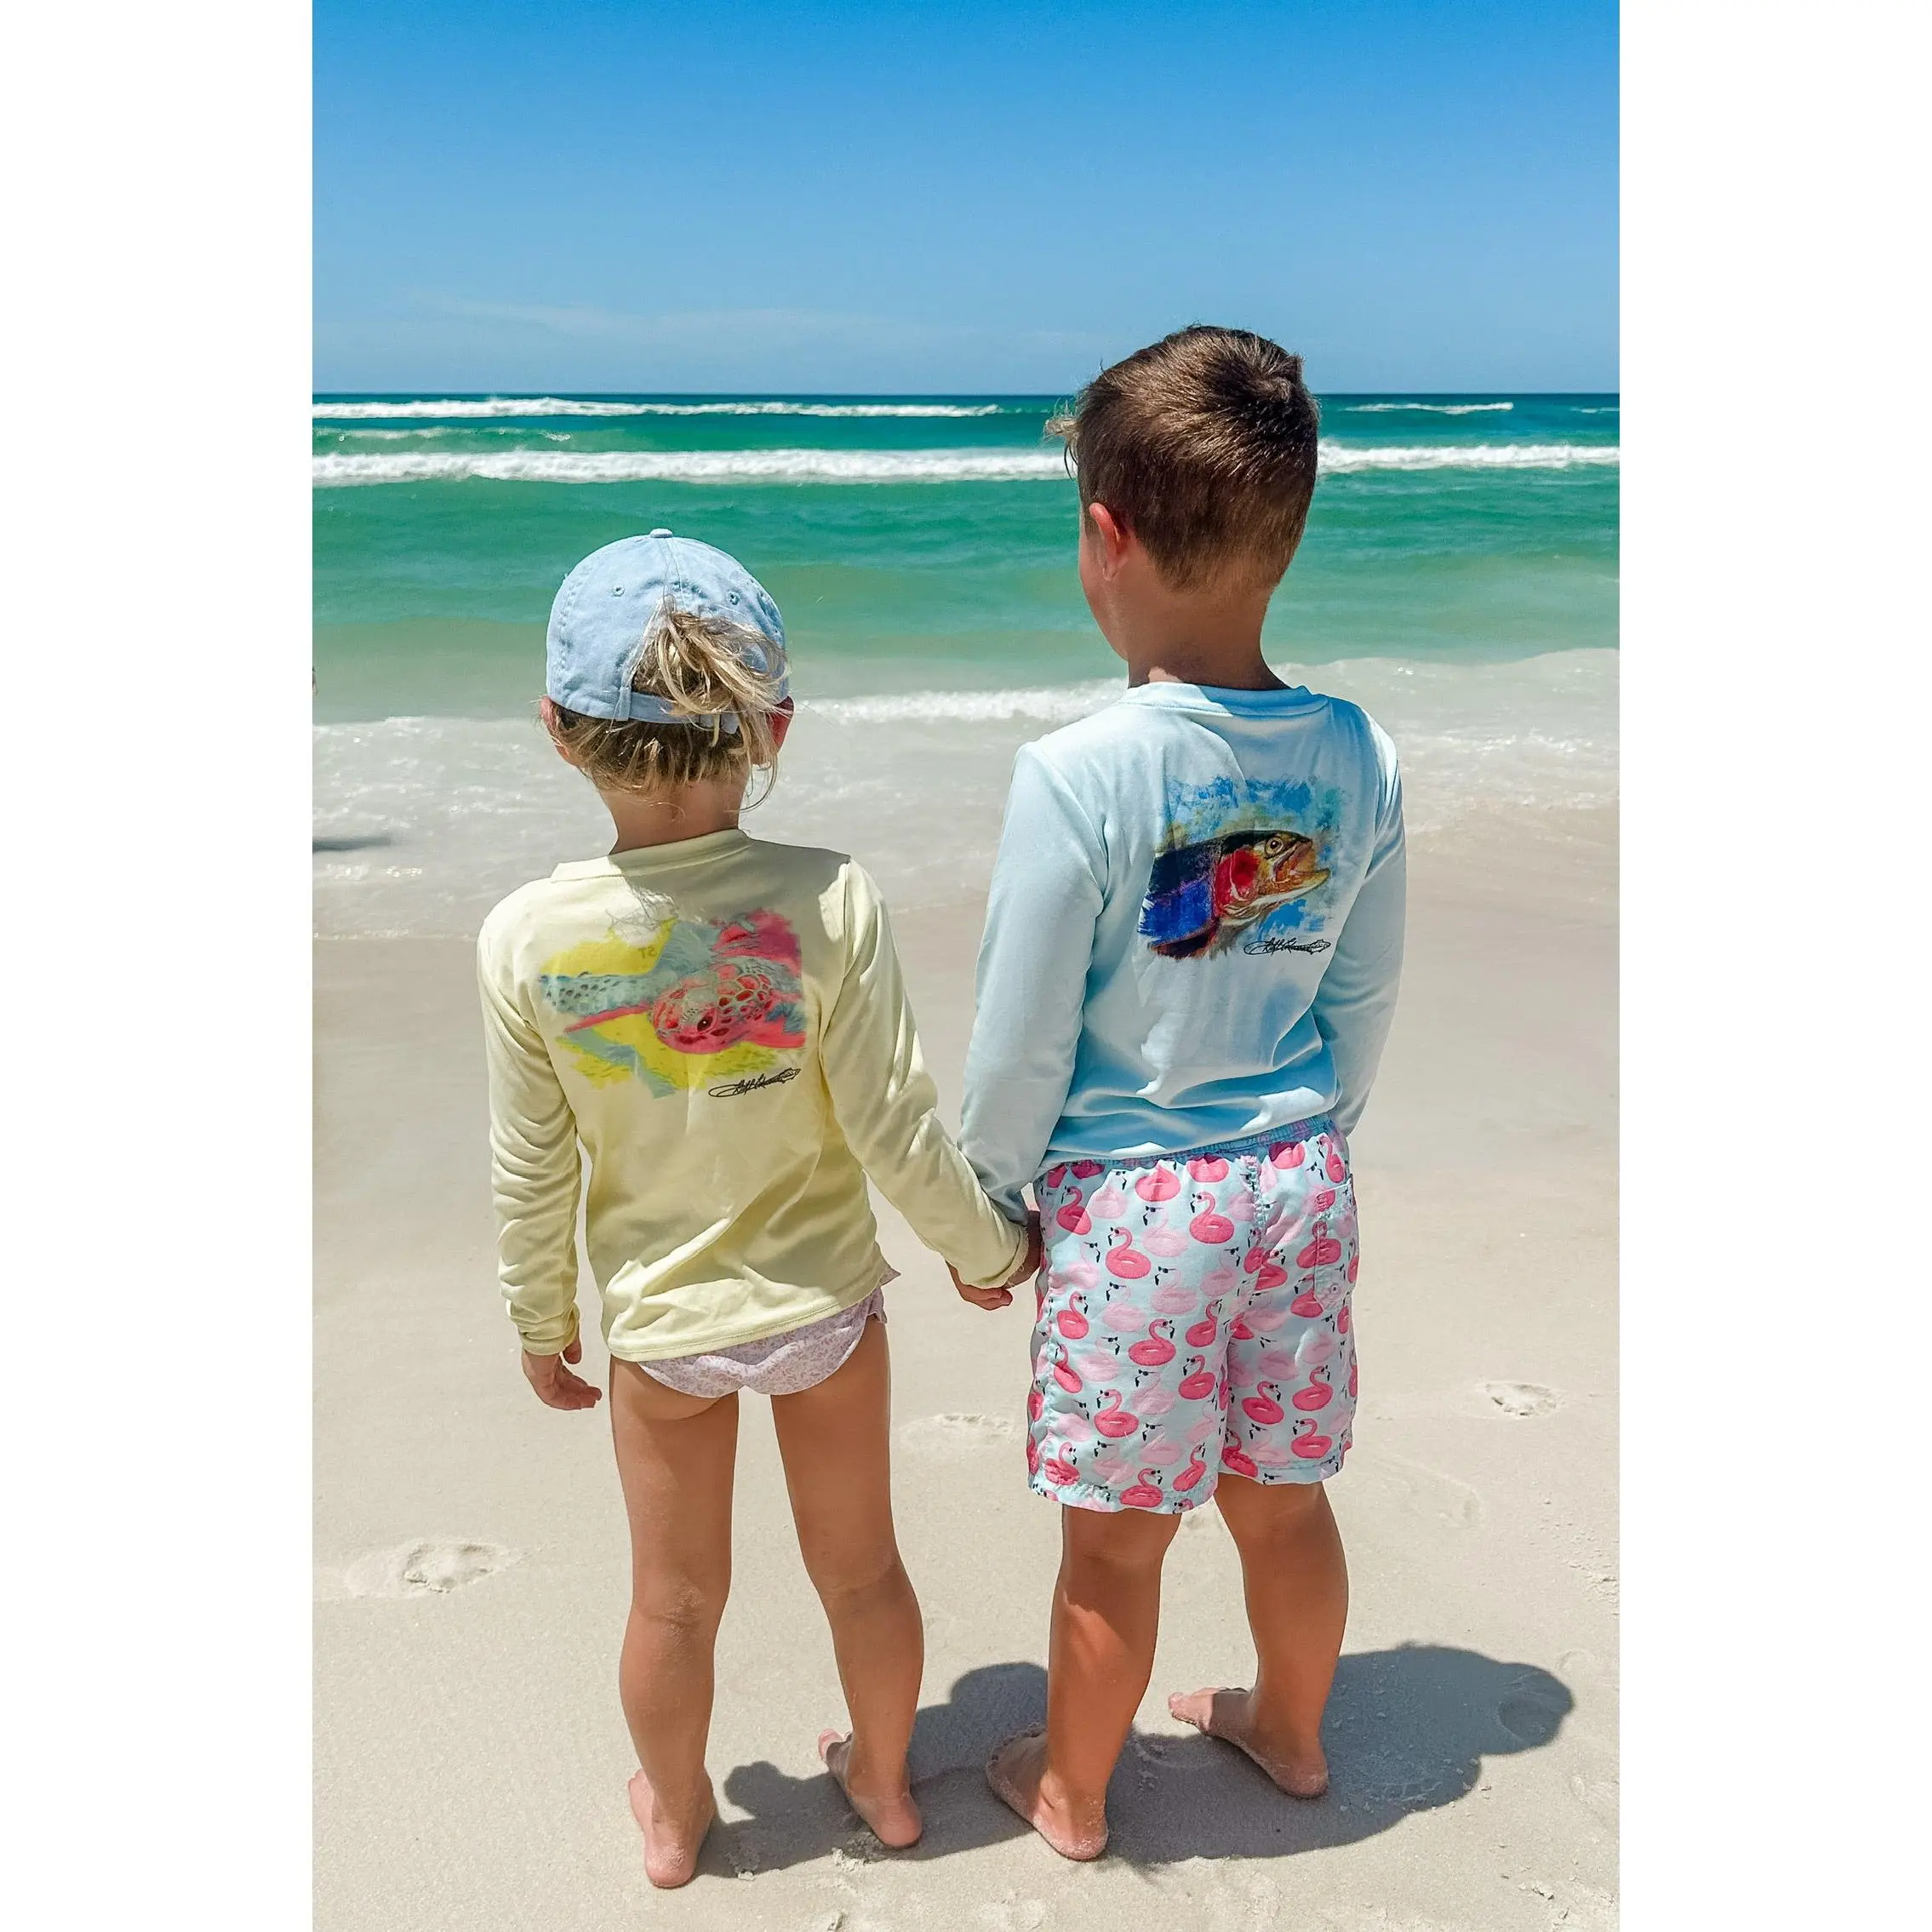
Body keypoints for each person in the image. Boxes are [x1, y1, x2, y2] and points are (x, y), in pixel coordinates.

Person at [477, 530, 1039, 1888]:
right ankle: (886, 1783)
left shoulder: (527, 937)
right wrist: (983, 1246)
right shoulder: (827, 897)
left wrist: (541, 1317)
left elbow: (533, 1164)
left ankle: (677, 1818)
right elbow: (893, 1124)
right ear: (771, 727)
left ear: (556, 729)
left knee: (673, 1601)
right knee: (862, 1572)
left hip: (666, 1332)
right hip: (824, 1313)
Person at [956, 328, 1407, 1860]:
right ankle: (1291, 1729)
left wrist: (989, 1200)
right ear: (1286, 533)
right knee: (1280, 1497)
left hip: (1138, 1209)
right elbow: (1359, 995)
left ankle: (1072, 1787)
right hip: (1294, 1176)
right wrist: (1311, 1134)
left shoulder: (1078, 771)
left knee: (1114, 1543)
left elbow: (1020, 1037)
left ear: (1106, 536)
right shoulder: (1356, 751)